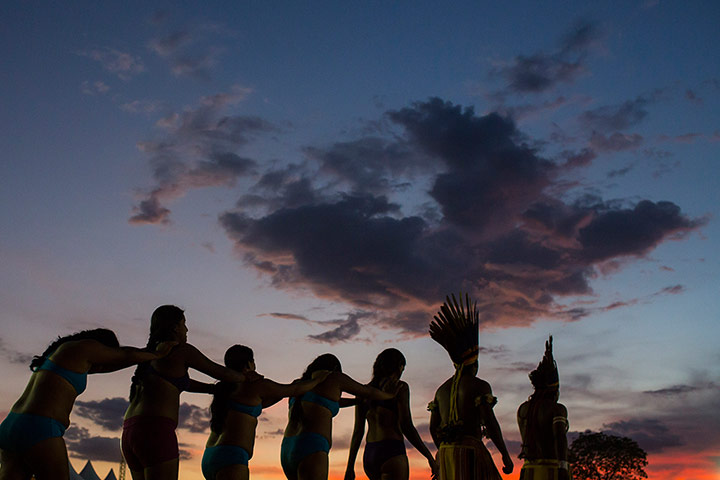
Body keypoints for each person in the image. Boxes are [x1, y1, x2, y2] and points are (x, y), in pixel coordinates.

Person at [0, 328, 174, 480]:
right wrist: (157, 354)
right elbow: (124, 355)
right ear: (103, 347)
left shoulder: (62, 356)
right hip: (40, 427)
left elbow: (114, 363)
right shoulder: (87, 346)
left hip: (11, 427)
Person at [122, 305, 260, 480]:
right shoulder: (181, 350)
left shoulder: (152, 355)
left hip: (130, 430)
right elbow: (222, 373)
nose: (187, 329)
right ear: (174, 327)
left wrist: (211, 389)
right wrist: (245, 377)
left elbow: (180, 383)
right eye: (184, 324)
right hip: (155, 430)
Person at [202, 345, 331, 480]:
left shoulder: (225, 389)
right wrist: (318, 380)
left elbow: (261, 403)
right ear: (249, 363)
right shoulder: (256, 385)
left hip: (210, 456)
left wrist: (281, 392)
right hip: (231, 458)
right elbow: (294, 390)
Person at [427, 294, 513, 480]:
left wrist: (443, 451)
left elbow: (433, 428)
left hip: (446, 454)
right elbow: (489, 422)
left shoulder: (441, 391)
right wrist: (505, 454)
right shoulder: (479, 386)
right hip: (470, 451)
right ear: (475, 364)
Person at [280, 353, 398, 480]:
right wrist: (389, 395)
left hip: (287, 448)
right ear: (336, 368)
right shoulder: (335, 378)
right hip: (311, 446)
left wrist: (355, 402)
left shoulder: (300, 385)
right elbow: (368, 391)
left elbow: (329, 401)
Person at [345, 348, 438, 480]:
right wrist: (429, 457)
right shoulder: (400, 388)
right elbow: (406, 425)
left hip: (370, 454)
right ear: (399, 367)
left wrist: (350, 467)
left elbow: (358, 431)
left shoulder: (364, 391)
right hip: (391, 450)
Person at [517, 336, 570, 480]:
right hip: (550, 470)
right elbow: (559, 437)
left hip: (528, 470)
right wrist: (563, 466)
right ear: (554, 390)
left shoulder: (523, 409)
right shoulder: (557, 409)